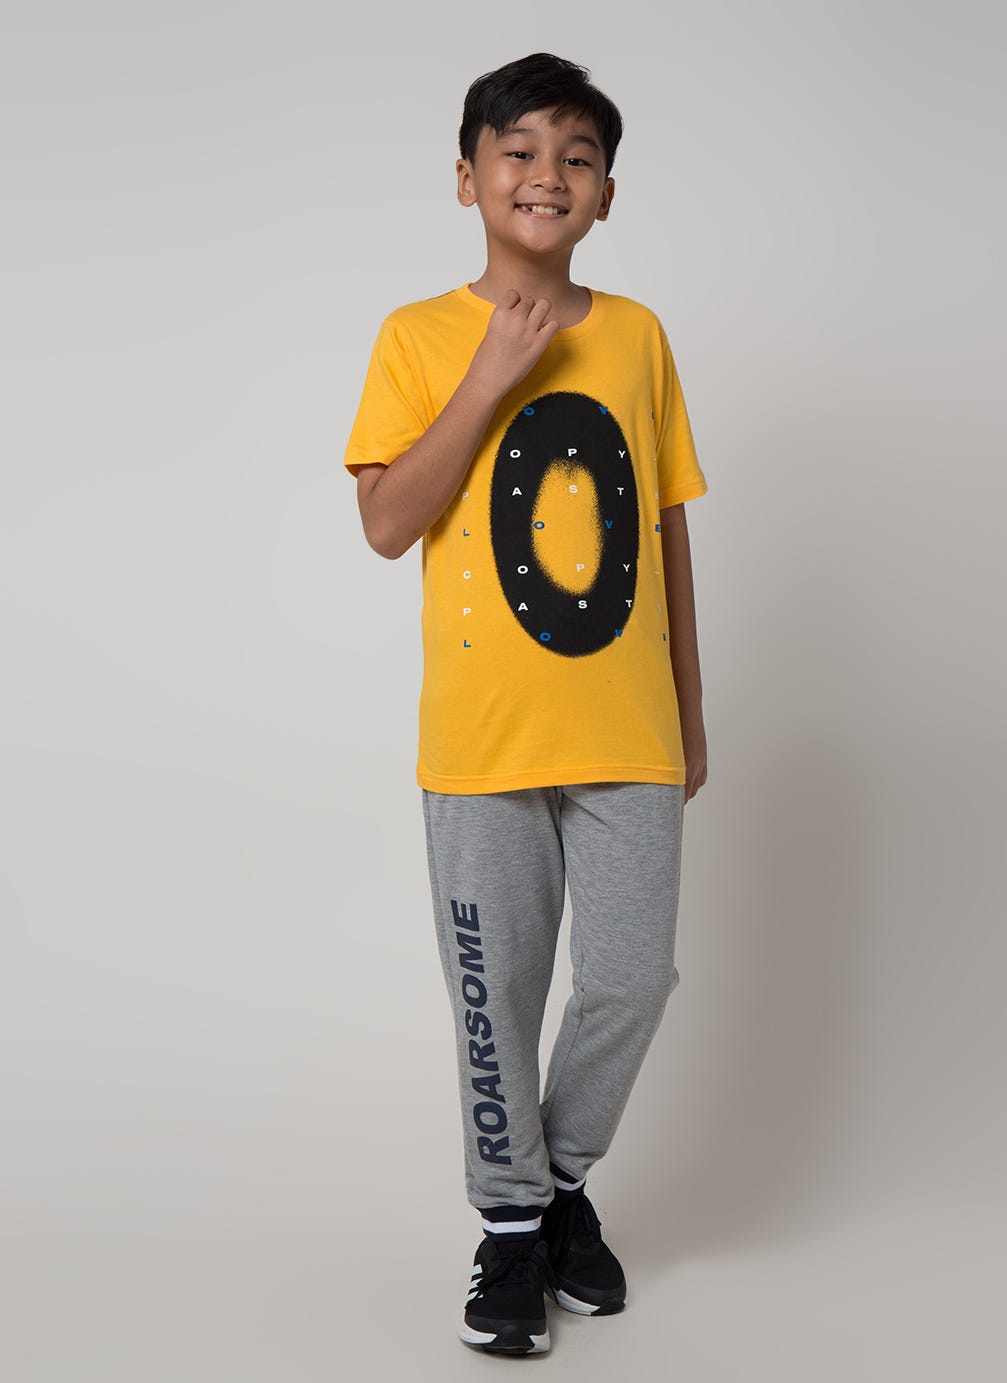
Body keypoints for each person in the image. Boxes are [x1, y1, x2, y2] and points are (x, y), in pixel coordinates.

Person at [343, 52, 708, 1357]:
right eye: (519, 150)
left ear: (606, 193)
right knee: (494, 992)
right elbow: (386, 523)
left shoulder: (639, 336)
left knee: (630, 980)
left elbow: (664, 533)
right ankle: (511, 1232)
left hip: (627, 731)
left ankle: (557, 1186)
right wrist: (493, 373)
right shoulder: (416, 337)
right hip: (483, 742)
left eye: (577, 156)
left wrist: (693, 715)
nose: (547, 174)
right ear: (468, 178)